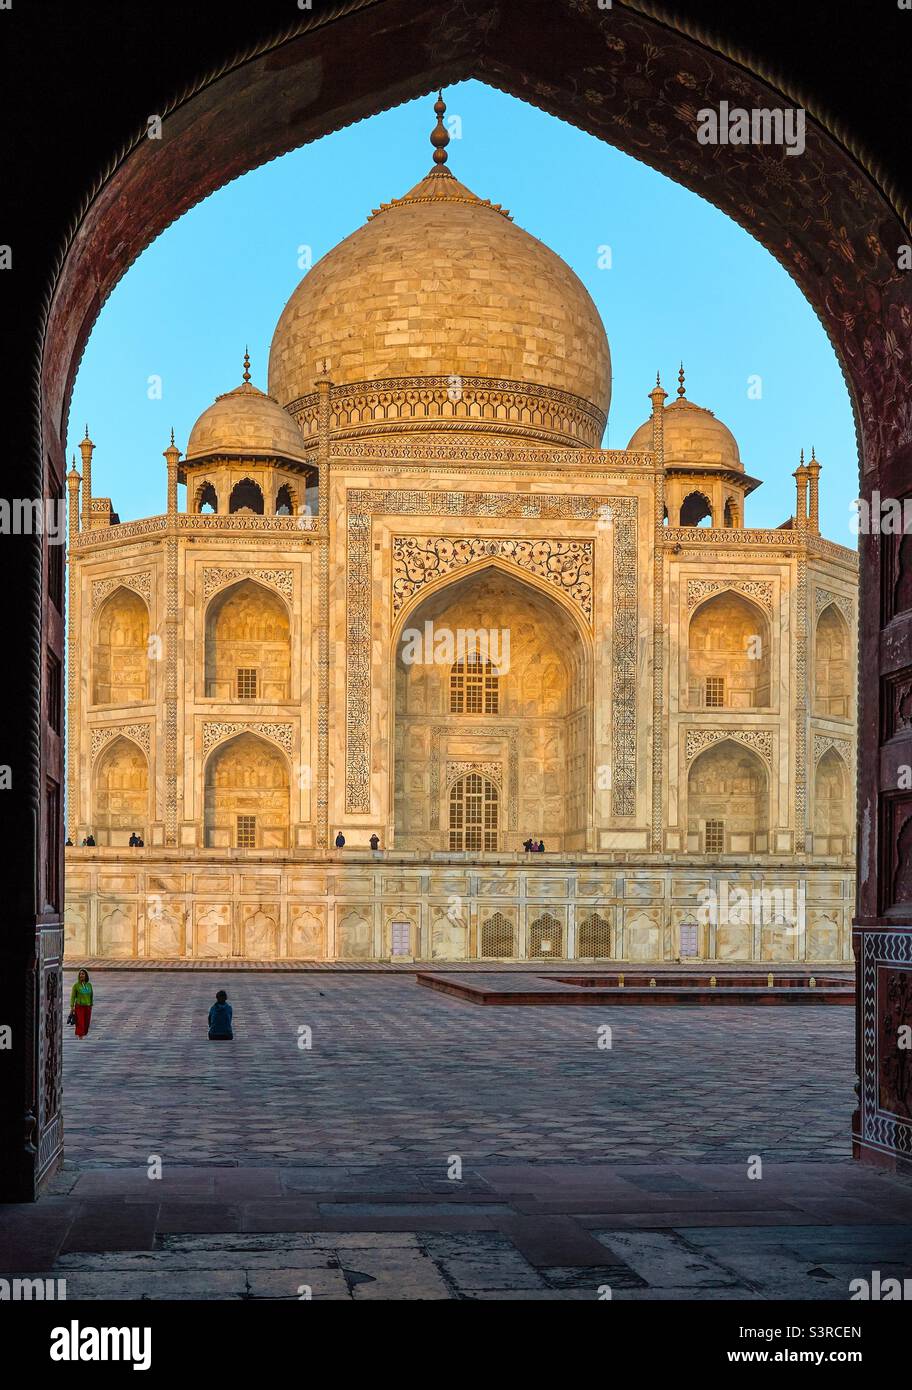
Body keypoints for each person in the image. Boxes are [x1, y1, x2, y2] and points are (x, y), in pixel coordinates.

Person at [70, 968, 93, 1038]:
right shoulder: (76, 986)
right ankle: (80, 1036)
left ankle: (84, 1034)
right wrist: (72, 1006)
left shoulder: (89, 985)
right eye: (80, 974)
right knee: (80, 1022)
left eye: (83, 974)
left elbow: (91, 995)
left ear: (86, 976)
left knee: (87, 1022)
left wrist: (91, 1004)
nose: (81, 975)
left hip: (88, 1006)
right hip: (79, 1007)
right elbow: (73, 996)